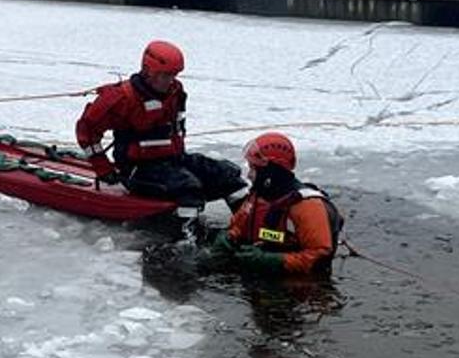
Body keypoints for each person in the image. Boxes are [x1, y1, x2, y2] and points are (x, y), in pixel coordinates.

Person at [76, 40, 246, 207]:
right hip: (137, 169)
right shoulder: (121, 99)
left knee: (227, 174)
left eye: (174, 75)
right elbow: (87, 131)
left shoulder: (176, 92)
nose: (170, 80)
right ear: (148, 71)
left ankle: (244, 223)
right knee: (187, 186)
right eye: (165, 75)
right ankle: (188, 231)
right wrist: (103, 169)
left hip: (173, 161)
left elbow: (178, 127)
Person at [208, 132, 343, 274]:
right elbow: (240, 225)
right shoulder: (258, 195)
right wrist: (229, 236)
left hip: (296, 287)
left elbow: (319, 258)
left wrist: (272, 260)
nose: (249, 175)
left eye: (253, 169)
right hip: (258, 273)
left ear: (270, 171)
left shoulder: (307, 205)